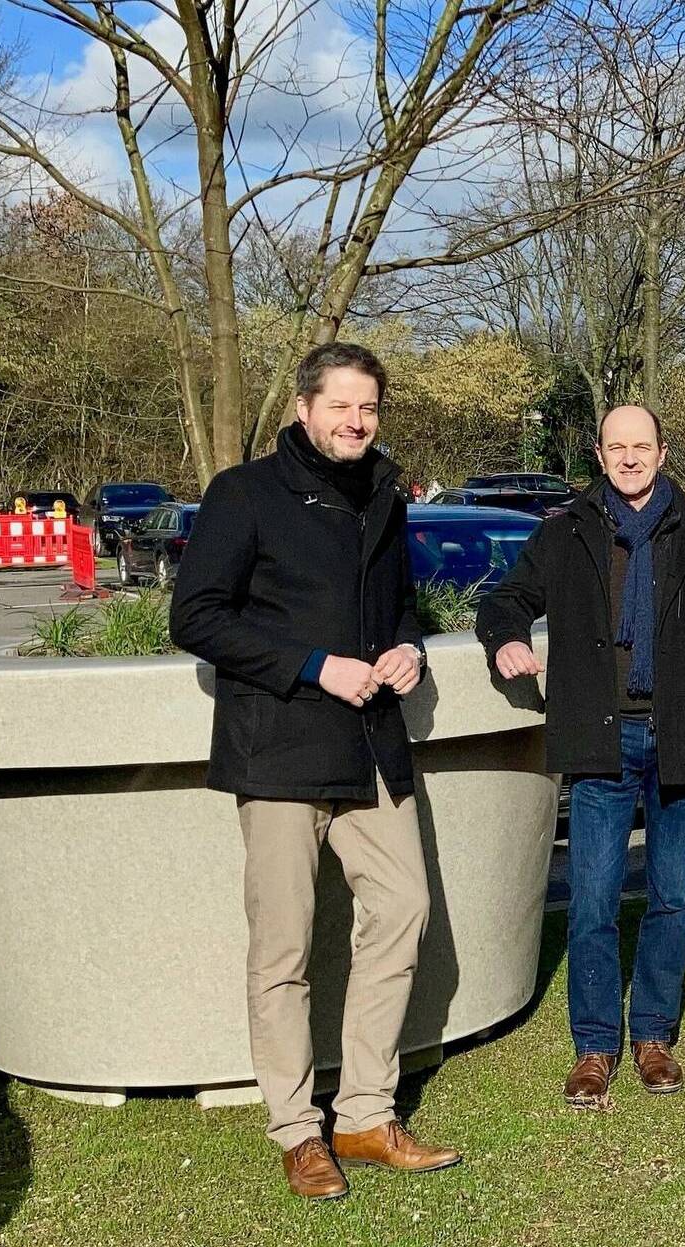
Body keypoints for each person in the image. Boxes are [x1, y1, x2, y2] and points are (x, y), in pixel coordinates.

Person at [171, 342, 459, 1202]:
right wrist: (311, 664)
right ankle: (299, 1131)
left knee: (403, 905)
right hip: (281, 746)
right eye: (341, 405)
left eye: (368, 406)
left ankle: (366, 1114)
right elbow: (196, 616)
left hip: (370, 743)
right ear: (303, 407)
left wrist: (406, 646)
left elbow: (398, 602)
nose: (356, 420)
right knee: (284, 949)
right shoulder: (243, 493)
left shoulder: (385, 491)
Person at [476, 405, 685, 1110]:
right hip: (602, 739)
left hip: (682, 738)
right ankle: (595, 1044)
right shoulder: (566, 532)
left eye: (641, 446)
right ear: (599, 455)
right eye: (616, 447)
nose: (629, 458)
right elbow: (503, 600)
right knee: (594, 900)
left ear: (662, 452)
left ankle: (654, 1035)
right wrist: (506, 637)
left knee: (669, 899)